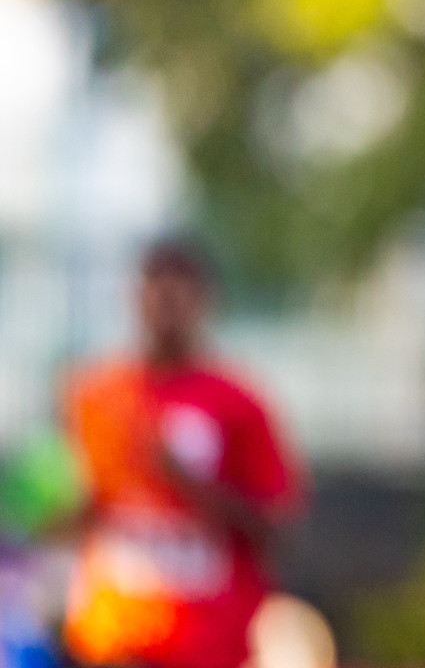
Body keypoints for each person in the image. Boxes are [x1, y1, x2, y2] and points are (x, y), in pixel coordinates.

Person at [60, 240, 306, 668]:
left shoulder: (237, 401)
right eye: (155, 290)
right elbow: (71, 515)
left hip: (206, 640)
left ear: (206, 301)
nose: (165, 305)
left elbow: (275, 525)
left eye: (178, 293)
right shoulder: (95, 394)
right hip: (115, 633)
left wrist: (188, 485)